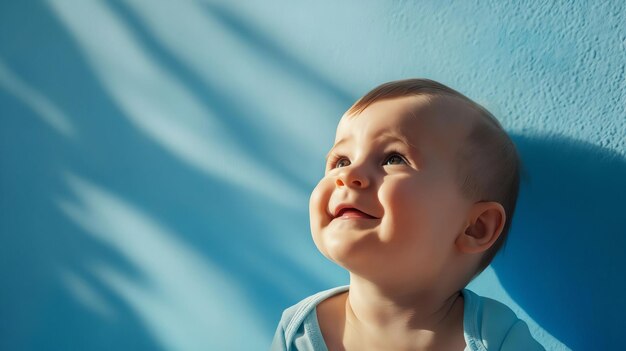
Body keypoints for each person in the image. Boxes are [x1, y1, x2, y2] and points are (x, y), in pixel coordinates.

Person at [271, 79, 544, 351]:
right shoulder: (297, 331)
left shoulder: (496, 338)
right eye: (342, 160)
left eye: (393, 159)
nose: (347, 175)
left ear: (476, 227)